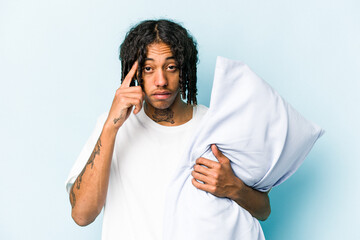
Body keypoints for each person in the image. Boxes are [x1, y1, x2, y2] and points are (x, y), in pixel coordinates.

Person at [66, 19, 270, 240]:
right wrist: (110, 127)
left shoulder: (216, 127)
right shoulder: (112, 127)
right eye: (148, 68)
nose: (160, 80)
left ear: (184, 70)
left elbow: (263, 210)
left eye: (171, 67)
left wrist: (234, 188)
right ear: (136, 74)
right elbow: (82, 216)